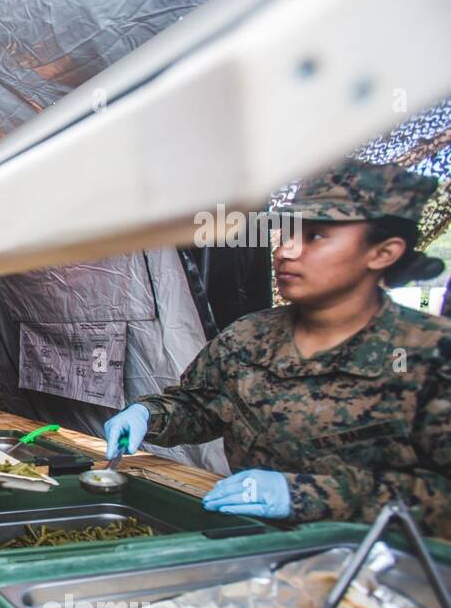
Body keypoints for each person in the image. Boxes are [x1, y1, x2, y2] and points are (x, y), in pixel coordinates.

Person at [103, 159, 450, 537]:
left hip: (381, 572)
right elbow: (199, 407)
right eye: (286, 234)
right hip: (255, 547)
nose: (286, 251)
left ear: (383, 252)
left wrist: (308, 495)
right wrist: (147, 416)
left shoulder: (432, 353)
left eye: (316, 236)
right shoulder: (249, 336)